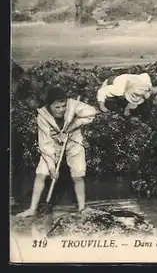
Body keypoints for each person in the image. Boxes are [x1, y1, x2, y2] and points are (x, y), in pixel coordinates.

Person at [16, 86, 97, 217]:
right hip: (52, 144)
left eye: (63, 106)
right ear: (49, 106)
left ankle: (82, 208)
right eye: (57, 107)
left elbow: (91, 112)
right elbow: (45, 144)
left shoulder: (73, 104)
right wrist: (52, 167)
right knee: (41, 174)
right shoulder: (42, 116)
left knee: (78, 175)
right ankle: (32, 209)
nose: (61, 110)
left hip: (73, 141)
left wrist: (74, 124)